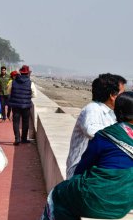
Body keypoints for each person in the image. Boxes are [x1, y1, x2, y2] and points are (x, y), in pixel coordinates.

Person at [41, 91, 133, 220]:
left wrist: (73, 183)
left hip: (94, 201)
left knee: (58, 193)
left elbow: (83, 166)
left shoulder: (105, 135)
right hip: (124, 204)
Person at [66, 73, 126, 178]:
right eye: (122, 94)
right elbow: (93, 132)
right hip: (81, 172)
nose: (124, 97)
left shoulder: (111, 113)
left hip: (96, 169)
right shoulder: (93, 109)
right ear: (112, 95)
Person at [7, 65, 37, 145]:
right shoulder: (30, 83)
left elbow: (9, 91)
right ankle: (23, 138)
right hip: (26, 105)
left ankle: (17, 139)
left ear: (20, 72)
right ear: (28, 73)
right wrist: (27, 96)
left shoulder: (13, 81)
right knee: (25, 122)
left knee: (16, 122)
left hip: (16, 105)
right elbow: (34, 95)